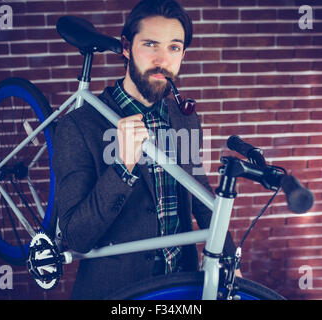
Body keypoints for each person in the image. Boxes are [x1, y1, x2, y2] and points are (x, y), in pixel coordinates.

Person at [52, 0, 240, 300]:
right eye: (150, 44)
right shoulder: (79, 126)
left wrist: (228, 255)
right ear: (126, 47)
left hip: (180, 288)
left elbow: (197, 185)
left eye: (173, 48)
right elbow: (75, 237)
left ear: (183, 55)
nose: (162, 60)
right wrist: (122, 168)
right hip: (117, 292)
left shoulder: (184, 117)